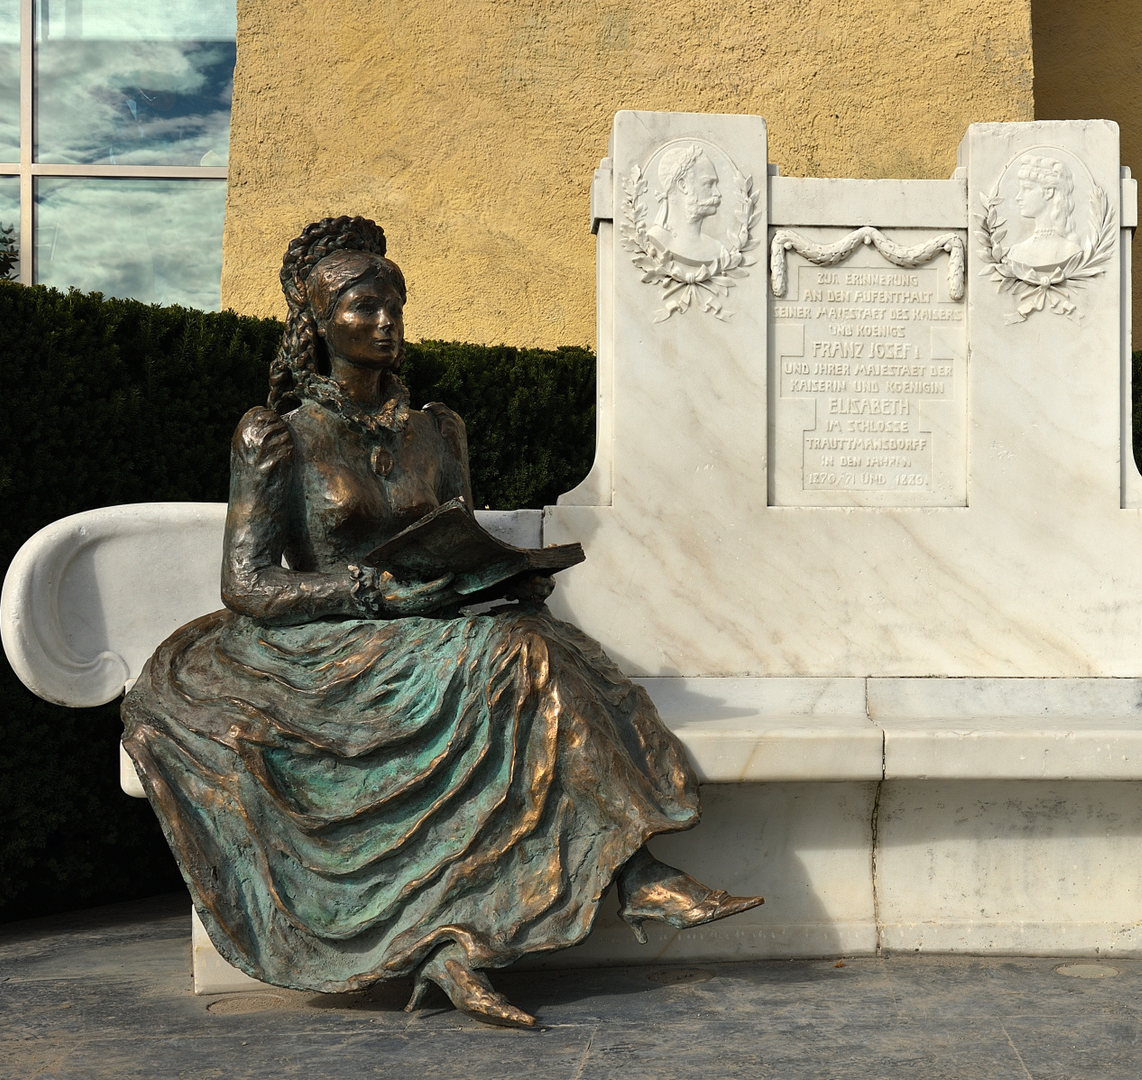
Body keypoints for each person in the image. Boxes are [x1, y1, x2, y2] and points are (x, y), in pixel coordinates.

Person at [121, 215, 760, 1029]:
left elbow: (452, 544)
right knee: (518, 664)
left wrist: (503, 575)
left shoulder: (438, 430)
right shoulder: (275, 433)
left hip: (431, 628)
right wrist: (369, 591)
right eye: (362, 306)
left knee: (540, 650)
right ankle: (626, 880)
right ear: (317, 322)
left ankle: (469, 942)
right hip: (327, 646)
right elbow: (247, 585)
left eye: (394, 304)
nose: (385, 320)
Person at [643, 142, 726, 263]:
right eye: (708, 184)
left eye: (716, 185)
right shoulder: (653, 240)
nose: (717, 193)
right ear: (683, 185)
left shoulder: (717, 249)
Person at [1007, 154, 1084, 273]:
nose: (1018, 197)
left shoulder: (1071, 251)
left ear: (1049, 192)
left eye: (1027, 189)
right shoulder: (1016, 252)